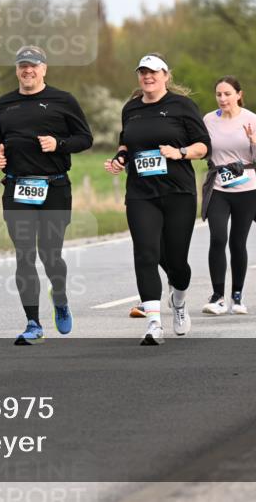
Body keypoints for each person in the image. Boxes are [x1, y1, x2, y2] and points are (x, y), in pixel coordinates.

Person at [105, 53, 209, 345]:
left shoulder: (182, 106)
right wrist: (120, 158)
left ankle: (179, 301)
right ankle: (153, 324)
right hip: (141, 193)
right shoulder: (131, 108)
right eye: (143, 72)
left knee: (177, 262)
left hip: (178, 192)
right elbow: (126, 143)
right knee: (145, 254)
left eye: (153, 72)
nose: (147, 77)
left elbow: (204, 146)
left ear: (166, 75)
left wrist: (180, 152)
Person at [0, 46, 93, 345]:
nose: (28, 70)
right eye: (23, 65)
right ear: (17, 70)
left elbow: (85, 139)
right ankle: (33, 323)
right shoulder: (4, 103)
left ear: (44, 69)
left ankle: (59, 298)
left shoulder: (63, 100)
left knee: (51, 256)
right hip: (17, 188)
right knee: (24, 256)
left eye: (33, 65)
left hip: (54, 188)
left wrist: (58, 144)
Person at [200, 76, 256, 315]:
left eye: (227, 94)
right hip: (218, 187)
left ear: (239, 95)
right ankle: (218, 296)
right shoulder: (208, 120)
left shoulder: (252, 119)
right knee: (218, 238)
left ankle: (237, 296)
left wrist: (254, 142)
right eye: (219, 94)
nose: (222, 98)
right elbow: (203, 150)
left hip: (246, 188)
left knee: (238, 243)